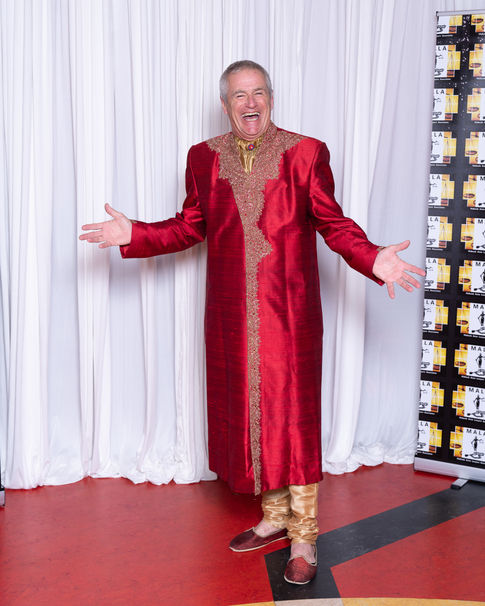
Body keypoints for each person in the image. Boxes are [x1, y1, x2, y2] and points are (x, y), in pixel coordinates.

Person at [80, 60, 424, 585]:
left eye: (258, 92)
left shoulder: (306, 152)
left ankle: (304, 534)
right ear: (226, 105)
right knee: (252, 413)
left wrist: (372, 257)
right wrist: (135, 235)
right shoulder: (202, 157)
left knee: (293, 417)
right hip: (230, 314)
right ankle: (275, 516)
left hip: (290, 310)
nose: (250, 102)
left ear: (270, 98)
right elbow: (190, 225)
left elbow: (332, 222)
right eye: (240, 95)